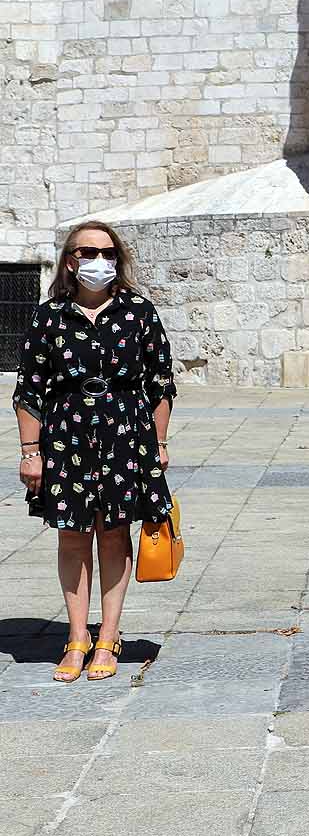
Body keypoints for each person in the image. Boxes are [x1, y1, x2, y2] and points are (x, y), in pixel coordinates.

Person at [13, 222, 176, 683]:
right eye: (87, 251)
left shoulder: (139, 313)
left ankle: (109, 636)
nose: (98, 260)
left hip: (126, 433)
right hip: (66, 436)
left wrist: (159, 445)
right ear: (71, 260)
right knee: (71, 534)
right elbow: (30, 390)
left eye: (107, 252)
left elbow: (160, 384)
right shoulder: (50, 317)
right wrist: (30, 452)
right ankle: (76, 637)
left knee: (112, 533)